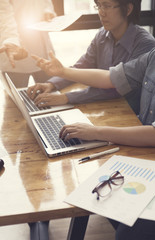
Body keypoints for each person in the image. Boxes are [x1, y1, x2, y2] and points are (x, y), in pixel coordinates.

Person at [31, 47, 155, 240]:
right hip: (147, 160)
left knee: (128, 230)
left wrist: (97, 132)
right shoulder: (152, 56)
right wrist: (63, 72)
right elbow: (110, 78)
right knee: (100, 192)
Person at [27, 0, 155, 115]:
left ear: (128, 9)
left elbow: (115, 89)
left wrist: (66, 98)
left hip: (129, 117)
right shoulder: (102, 34)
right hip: (103, 109)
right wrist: (52, 84)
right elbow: (81, 66)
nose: (101, 12)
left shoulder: (145, 44)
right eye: (98, 5)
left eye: (107, 6)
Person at [0, 0, 56, 88]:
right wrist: (11, 39)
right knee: (17, 99)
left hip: (44, 54)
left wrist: (47, 10)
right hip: (16, 53)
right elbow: (4, 15)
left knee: (52, 95)